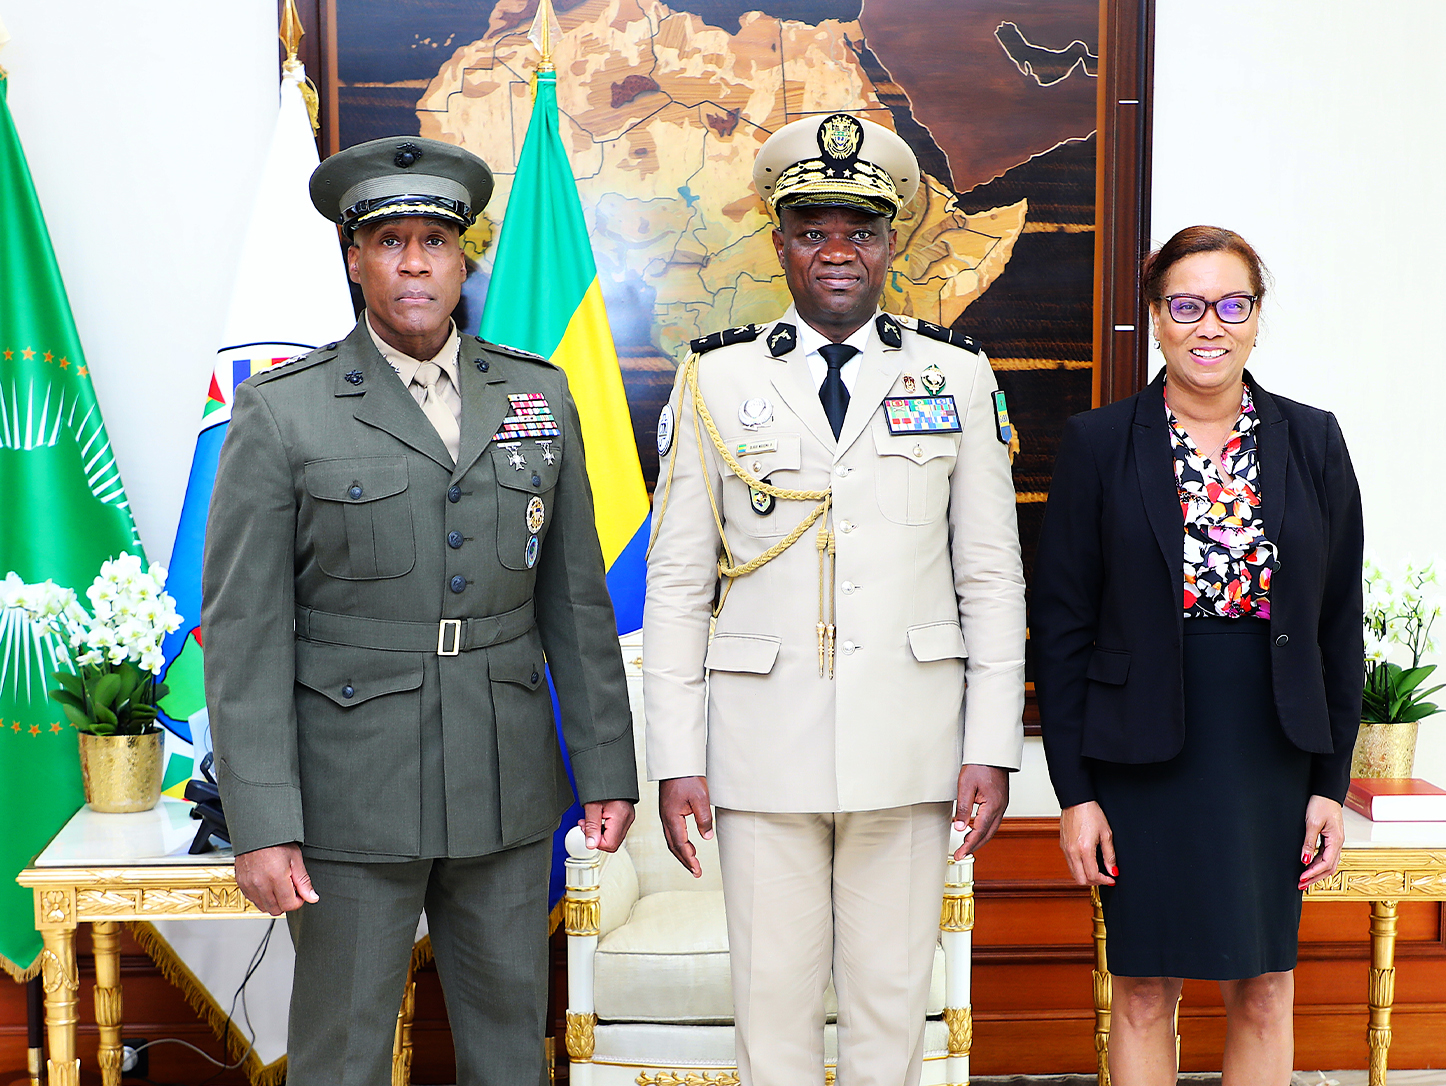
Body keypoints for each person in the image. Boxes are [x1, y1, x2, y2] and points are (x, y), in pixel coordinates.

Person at [201, 135, 638, 1086]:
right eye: (389, 241)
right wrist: (262, 818)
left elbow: (574, 601)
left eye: (434, 242)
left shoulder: (536, 394)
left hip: (504, 777)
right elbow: (243, 634)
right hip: (351, 787)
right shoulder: (284, 410)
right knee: (341, 1055)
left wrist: (608, 767)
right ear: (354, 260)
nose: (413, 264)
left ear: (462, 259)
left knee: (509, 1050)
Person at [643, 113, 1026, 1086]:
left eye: (861, 230)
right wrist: (677, 757)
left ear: (892, 244)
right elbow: (678, 585)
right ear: (779, 244)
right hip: (761, 744)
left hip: (910, 743)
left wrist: (990, 744)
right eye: (813, 230)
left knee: (891, 1011)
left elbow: (990, 578)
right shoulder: (714, 378)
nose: (838, 250)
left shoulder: (955, 375)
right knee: (771, 1012)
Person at [1032, 225, 1364, 1085]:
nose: (1208, 325)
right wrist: (1076, 794)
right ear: (1156, 316)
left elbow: (1338, 626)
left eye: (1231, 305)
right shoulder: (1100, 442)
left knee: (1266, 987)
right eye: (1186, 305)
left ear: (1256, 317)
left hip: (1273, 750)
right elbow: (1061, 630)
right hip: (1141, 754)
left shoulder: (1313, 440)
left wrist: (1329, 785)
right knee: (1144, 987)